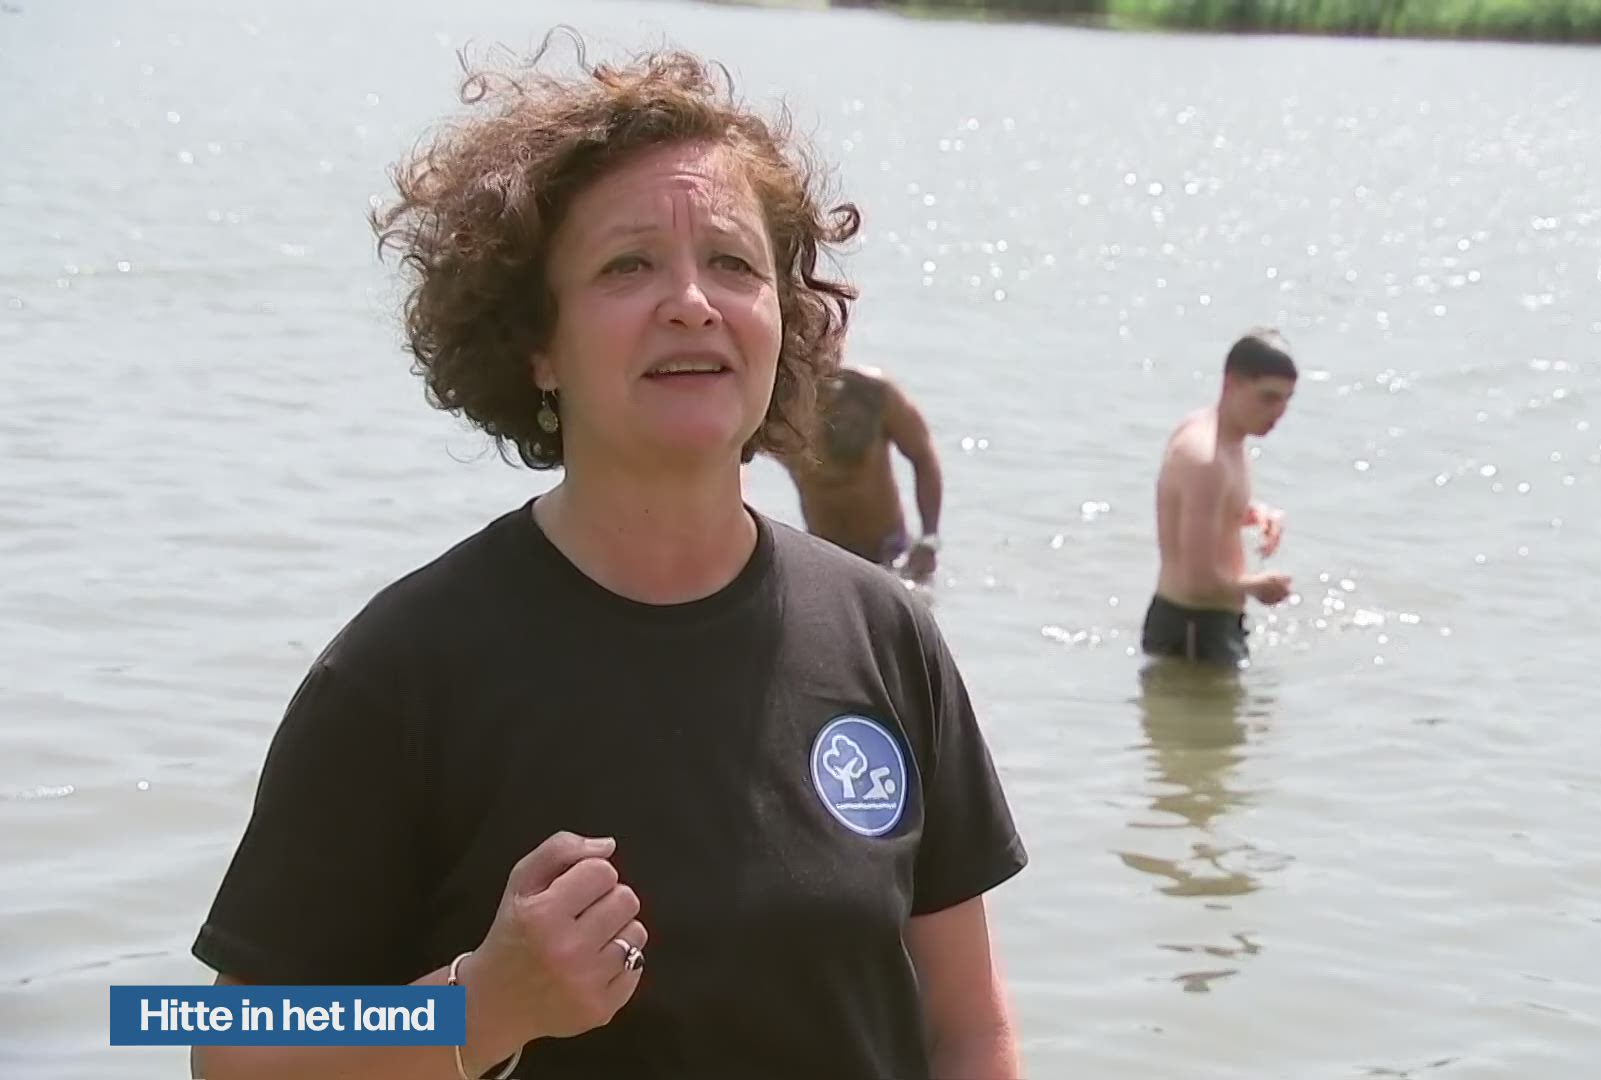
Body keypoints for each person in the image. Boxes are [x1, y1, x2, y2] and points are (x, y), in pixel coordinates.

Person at [189, 34, 1026, 1080]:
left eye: (734, 264)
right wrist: (481, 1008)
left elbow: (971, 1029)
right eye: (629, 265)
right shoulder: (402, 670)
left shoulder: (884, 634)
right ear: (537, 344)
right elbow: (222, 1049)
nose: (692, 301)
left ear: (784, 320)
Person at [1141, 328, 1299, 669]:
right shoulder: (1206, 460)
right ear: (1231, 384)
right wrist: (1260, 587)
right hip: (1194, 628)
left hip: (1200, 624)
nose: (1279, 412)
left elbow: (1198, 508)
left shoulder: (1218, 435)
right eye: (1268, 398)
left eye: (1287, 400)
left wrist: (1249, 512)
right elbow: (1198, 582)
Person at [771, 360, 944, 581]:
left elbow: (923, 457)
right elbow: (732, 458)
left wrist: (929, 540)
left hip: (890, 556)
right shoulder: (775, 412)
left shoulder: (872, 395)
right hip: (827, 559)